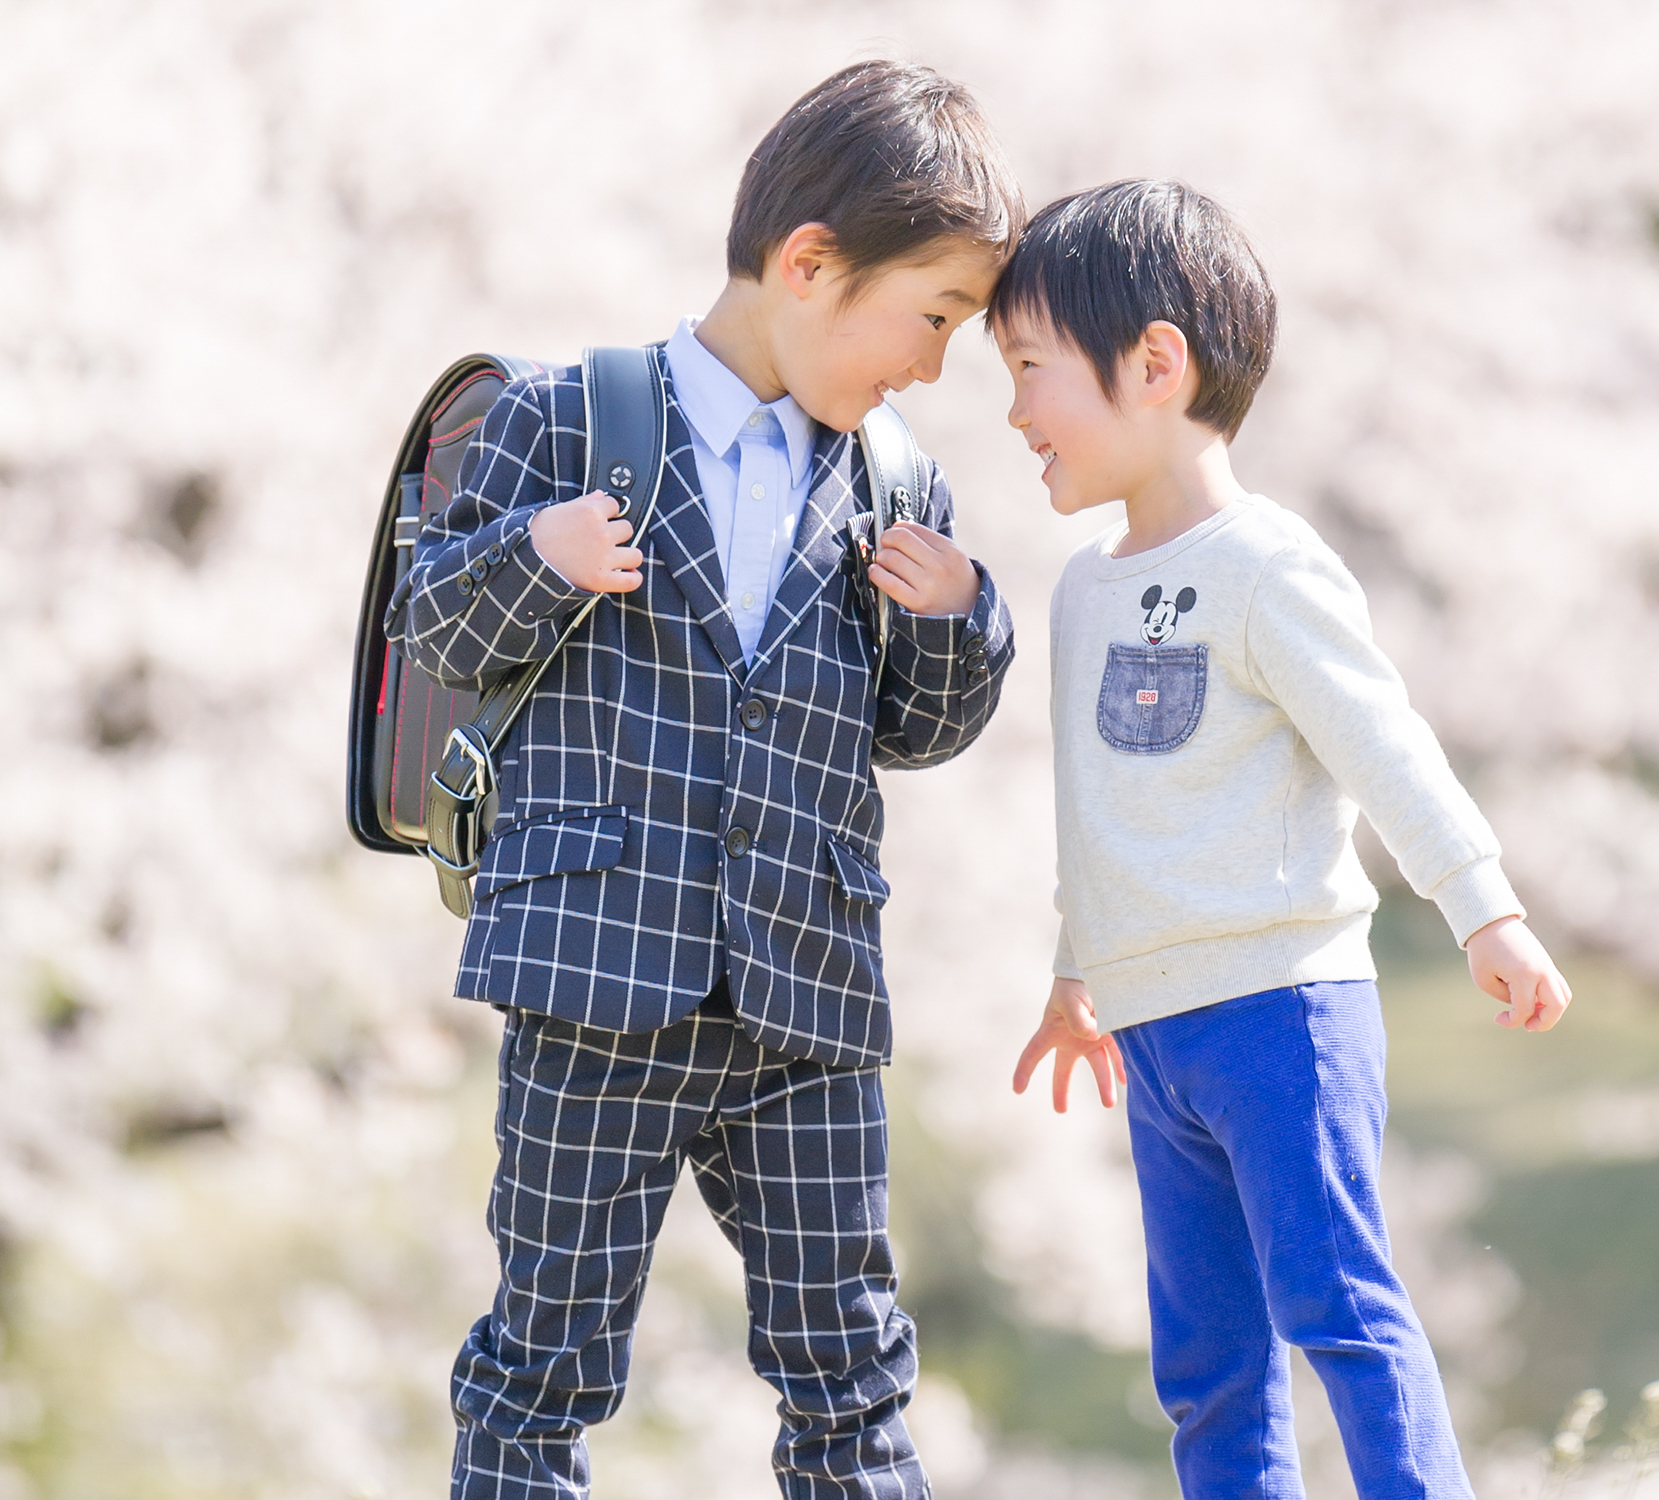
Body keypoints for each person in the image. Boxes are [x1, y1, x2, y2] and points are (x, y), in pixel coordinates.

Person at [386, 61, 1022, 1500]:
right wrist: (533, 560)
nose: (932, 366)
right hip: (596, 977)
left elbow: (915, 731)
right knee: (540, 1370)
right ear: (809, 264)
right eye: (930, 319)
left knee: (853, 1378)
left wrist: (961, 617)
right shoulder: (564, 417)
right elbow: (430, 622)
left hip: (805, 989)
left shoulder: (895, 486)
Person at [998, 179, 1573, 1500]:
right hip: (1153, 1027)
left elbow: (1384, 742)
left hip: (1280, 1011)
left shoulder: (1266, 564)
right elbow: (1098, 811)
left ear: (1153, 365)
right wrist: (1077, 973)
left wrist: (1480, 907)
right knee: (1205, 1363)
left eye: (1031, 369)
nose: (1015, 411)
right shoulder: (1085, 590)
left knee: (1337, 1313)